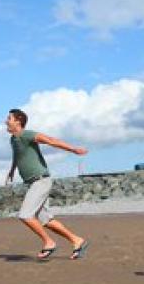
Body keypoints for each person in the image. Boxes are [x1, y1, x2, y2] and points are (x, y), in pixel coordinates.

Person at [5, 109, 90, 260]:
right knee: (46, 220)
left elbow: (50, 140)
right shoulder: (14, 139)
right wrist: (12, 170)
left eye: (9, 118)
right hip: (34, 182)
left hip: (40, 180)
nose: (6, 121)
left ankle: (49, 242)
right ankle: (77, 241)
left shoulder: (27, 134)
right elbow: (17, 155)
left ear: (18, 121)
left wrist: (73, 149)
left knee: (25, 215)